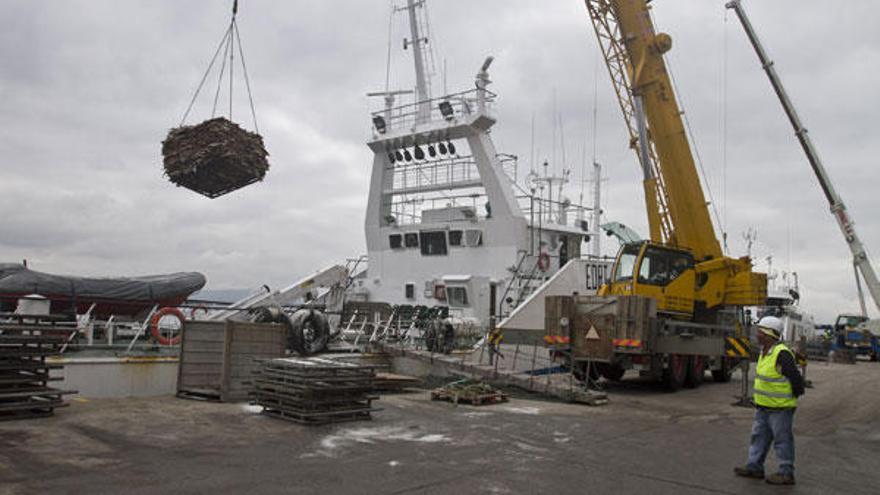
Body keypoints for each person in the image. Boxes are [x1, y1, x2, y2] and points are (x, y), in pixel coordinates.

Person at [734, 316, 805, 485]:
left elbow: (797, 381)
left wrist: (790, 399)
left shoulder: (782, 354)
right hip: (763, 406)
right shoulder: (764, 352)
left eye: (760, 332)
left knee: (782, 440)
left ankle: (786, 473)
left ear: (770, 334)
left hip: (780, 408)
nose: (757, 335)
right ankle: (754, 467)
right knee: (758, 437)